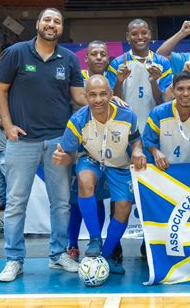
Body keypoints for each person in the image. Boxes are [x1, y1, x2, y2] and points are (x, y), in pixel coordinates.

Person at [0, 8, 85, 282]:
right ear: (38, 24)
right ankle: (13, 259)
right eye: (47, 19)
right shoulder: (17, 53)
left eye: (57, 21)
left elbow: (79, 95)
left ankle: (58, 255)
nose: (52, 24)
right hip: (22, 141)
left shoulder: (68, 58)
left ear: (61, 28)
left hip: (58, 140)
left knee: (61, 203)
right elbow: (0, 90)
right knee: (15, 203)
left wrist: (108, 97)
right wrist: (7, 125)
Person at [53, 75, 146, 274]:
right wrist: (63, 159)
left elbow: (136, 139)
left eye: (103, 94)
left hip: (120, 165)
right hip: (92, 159)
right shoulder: (78, 120)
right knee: (84, 179)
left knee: (123, 207)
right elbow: (68, 154)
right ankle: (95, 239)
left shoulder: (127, 114)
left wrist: (137, 150)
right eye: (93, 95)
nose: (98, 99)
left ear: (111, 95)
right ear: (86, 97)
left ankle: (105, 255)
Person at [67, 40, 111, 261]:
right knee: (77, 198)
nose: (99, 57)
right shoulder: (77, 79)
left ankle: (99, 239)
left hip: (108, 149)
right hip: (81, 148)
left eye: (103, 54)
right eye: (94, 54)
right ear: (87, 58)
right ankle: (72, 244)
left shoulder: (114, 79)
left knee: (100, 198)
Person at [144, 71, 190, 170]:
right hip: (161, 169)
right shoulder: (158, 113)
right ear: (172, 90)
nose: (185, 94)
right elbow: (148, 141)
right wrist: (155, 152)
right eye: (180, 89)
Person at [107, 19, 172, 132]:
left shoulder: (162, 63)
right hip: (126, 124)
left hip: (154, 124)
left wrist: (153, 82)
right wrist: (119, 81)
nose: (140, 37)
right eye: (134, 34)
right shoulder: (117, 64)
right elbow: (113, 101)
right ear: (127, 37)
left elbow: (163, 101)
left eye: (144, 33)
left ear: (150, 34)